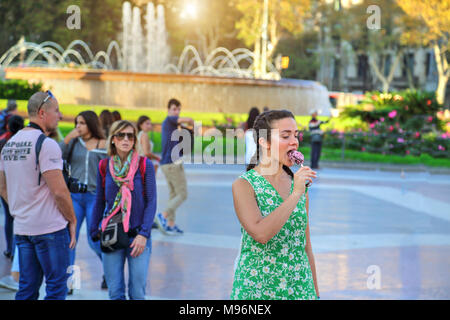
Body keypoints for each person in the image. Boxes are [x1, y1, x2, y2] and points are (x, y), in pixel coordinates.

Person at [230, 110, 320, 300]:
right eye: (286, 136)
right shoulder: (244, 185)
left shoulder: (299, 184)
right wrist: (295, 193)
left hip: (300, 289)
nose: (294, 141)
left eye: (296, 135)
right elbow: (261, 234)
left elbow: (306, 246)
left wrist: (316, 294)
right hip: (258, 290)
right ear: (264, 142)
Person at [0, 91, 77, 300]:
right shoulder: (46, 144)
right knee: (56, 287)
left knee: (26, 288)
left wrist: (22, 208)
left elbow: (2, 187)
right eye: (56, 111)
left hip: (23, 229)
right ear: (42, 113)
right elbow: (60, 192)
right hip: (49, 229)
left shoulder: (9, 145)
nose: (59, 116)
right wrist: (72, 219)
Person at [90, 120, 157, 300]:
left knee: (137, 293)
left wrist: (144, 234)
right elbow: (99, 200)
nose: (126, 139)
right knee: (115, 292)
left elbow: (151, 202)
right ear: (113, 139)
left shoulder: (144, 165)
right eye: (121, 135)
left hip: (138, 237)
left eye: (130, 135)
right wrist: (93, 230)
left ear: (135, 140)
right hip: (112, 235)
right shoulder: (104, 166)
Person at [59, 110, 108, 292]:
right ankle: (69, 282)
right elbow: (56, 156)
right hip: (75, 198)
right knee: (70, 239)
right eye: (76, 123)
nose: (78, 127)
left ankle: (110, 272)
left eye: (82, 123)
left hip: (95, 197)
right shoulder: (73, 143)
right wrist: (66, 139)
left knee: (94, 239)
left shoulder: (103, 144)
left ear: (91, 124)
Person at [154, 98, 193, 236]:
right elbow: (187, 119)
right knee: (182, 194)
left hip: (166, 164)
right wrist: (191, 121)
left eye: (178, 109)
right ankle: (162, 216)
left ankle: (170, 224)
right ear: (168, 110)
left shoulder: (171, 126)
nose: (176, 112)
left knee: (174, 194)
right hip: (172, 164)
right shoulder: (170, 120)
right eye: (174, 109)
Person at [0, 115, 24, 260]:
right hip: (19, 184)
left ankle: (10, 248)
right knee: (19, 217)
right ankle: (17, 249)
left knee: (9, 218)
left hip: (5, 184)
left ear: (8, 126)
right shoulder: (23, 143)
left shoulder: (3, 141)